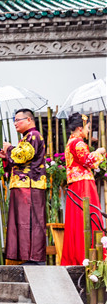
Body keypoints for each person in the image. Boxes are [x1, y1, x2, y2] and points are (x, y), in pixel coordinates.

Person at [0, 109, 47, 265]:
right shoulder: (26, 138)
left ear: (29, 120)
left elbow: (24, 156)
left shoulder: (33, 135)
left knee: (30, 221)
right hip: (23, 185)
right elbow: (19, 160)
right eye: (14, 120)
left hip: (30, 185)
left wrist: (10, 148)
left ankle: (34, 258)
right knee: (23, 222)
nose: (15, 123)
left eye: (18, 120)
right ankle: (27, 256)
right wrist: (7, 156)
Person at [61, 113, 105, 265]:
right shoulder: (78, 143)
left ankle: (77, 255)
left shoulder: (71, 142)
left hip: (76, 184)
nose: (88, 131)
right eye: (87, 128)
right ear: (80, 128)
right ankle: (88, 255)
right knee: (88, 217)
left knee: (77, 221)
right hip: (83, 185)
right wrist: (99, 152)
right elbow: (88, 161)